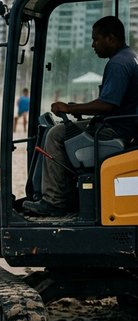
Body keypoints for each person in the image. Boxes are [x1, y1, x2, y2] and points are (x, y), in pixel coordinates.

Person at [24, 16, 138, 216]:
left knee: (56, 134)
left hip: (112, 130)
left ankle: (54, 201)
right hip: (122, 125)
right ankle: (67, 195)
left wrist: (69, 108)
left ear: (110, 38)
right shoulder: (129, 56)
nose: (93, 45)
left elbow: (107, 105)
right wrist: (77, 107)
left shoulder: (118, 64)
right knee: (65, 132)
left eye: (96, 39)